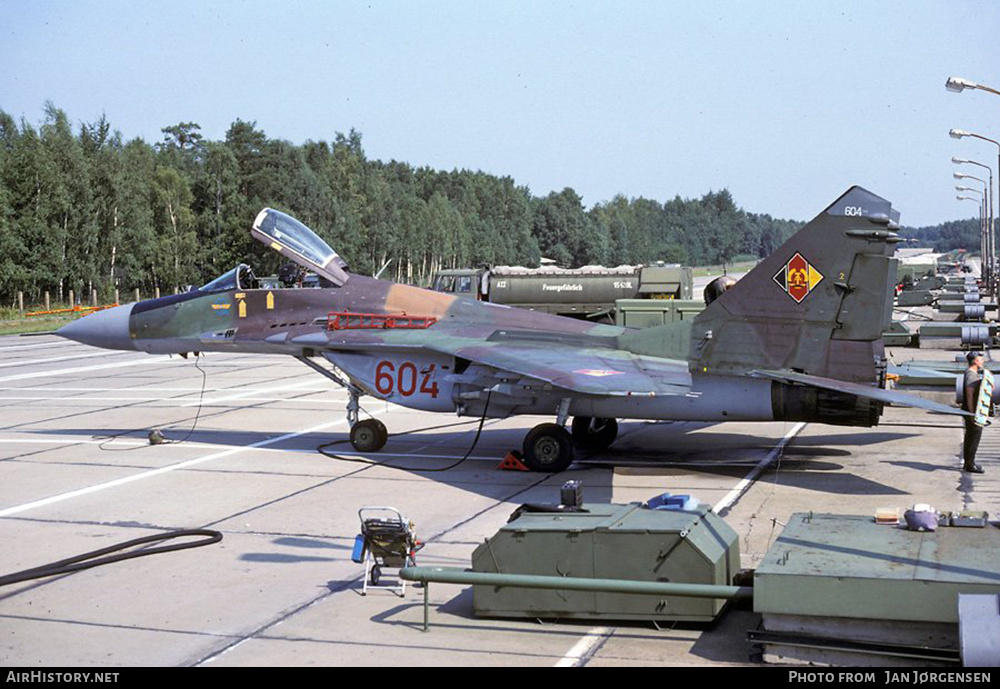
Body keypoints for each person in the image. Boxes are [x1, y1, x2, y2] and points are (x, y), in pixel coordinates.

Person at [962, 351, 988, 474]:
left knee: (970, 437)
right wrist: (973, 414)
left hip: (971, 411)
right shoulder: (971, 375)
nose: (982, 361)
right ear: (975, 361)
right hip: (973, 412)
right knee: (973, 438)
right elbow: (969, 395)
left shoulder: (972, 374)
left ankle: (968, 462)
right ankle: (970, 464)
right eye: (981, 359)